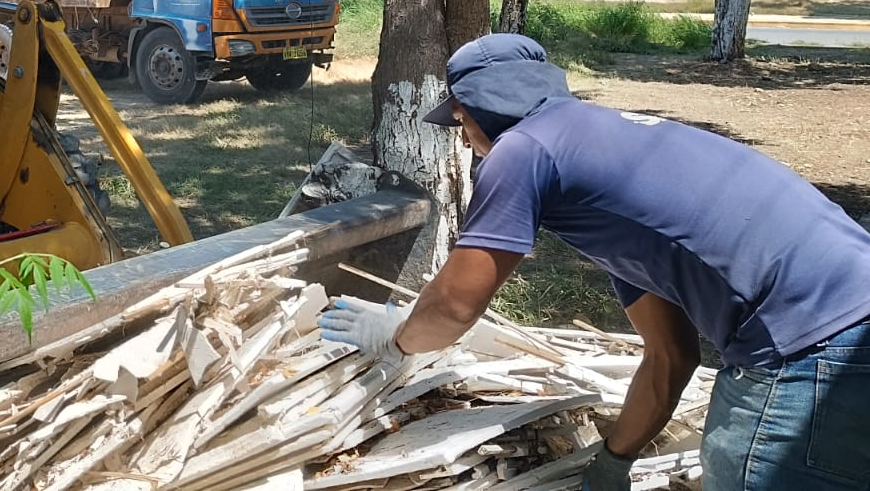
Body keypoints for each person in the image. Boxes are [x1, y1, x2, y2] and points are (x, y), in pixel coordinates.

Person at [319, 34, 870, 490]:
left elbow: (455, 308)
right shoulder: (608, 162)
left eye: (461, 122)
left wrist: (395, 337)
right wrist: (614, 460)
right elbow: (670, 355)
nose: (464, 141)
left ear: (479, 106)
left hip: (808, 344)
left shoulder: (524, 149)